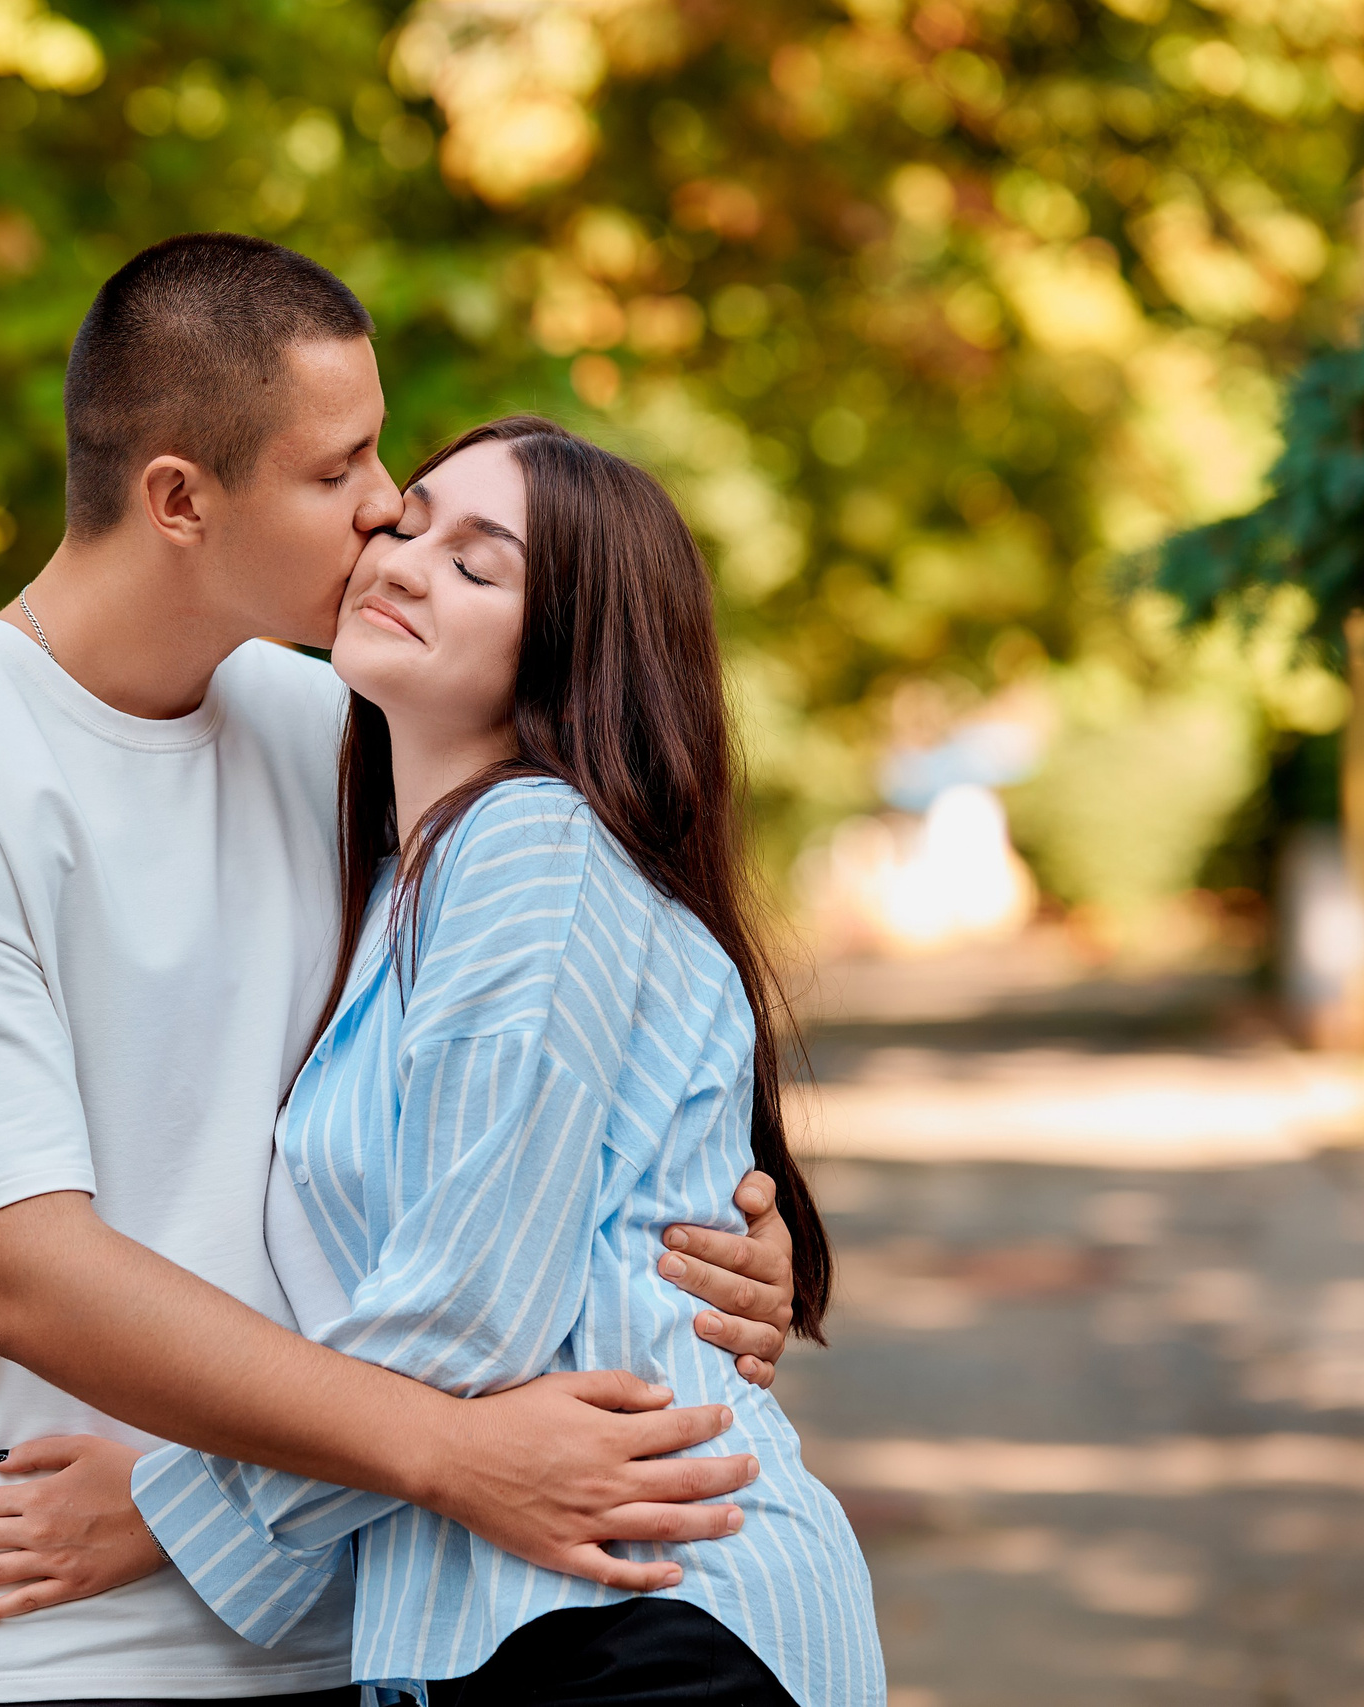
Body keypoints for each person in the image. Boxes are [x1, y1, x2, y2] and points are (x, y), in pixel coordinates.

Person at [0, 233, 803, 1707]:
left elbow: (536, 1053)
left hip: (362, 1611)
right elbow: (27, 1275)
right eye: (341, 470)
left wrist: (711, 1235)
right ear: (179, 499)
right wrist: (448, 1448)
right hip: (50, 1625)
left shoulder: (329, 725)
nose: (386, 505)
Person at [131, 418, 885, 1705]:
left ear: (572, 653)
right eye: (404, 525)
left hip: (651, 1613)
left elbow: (475, 1301)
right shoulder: (400, 891)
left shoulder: (532, 847)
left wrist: (163, 1515)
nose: (402, 563)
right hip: (512, 1631)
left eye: (477, 565)